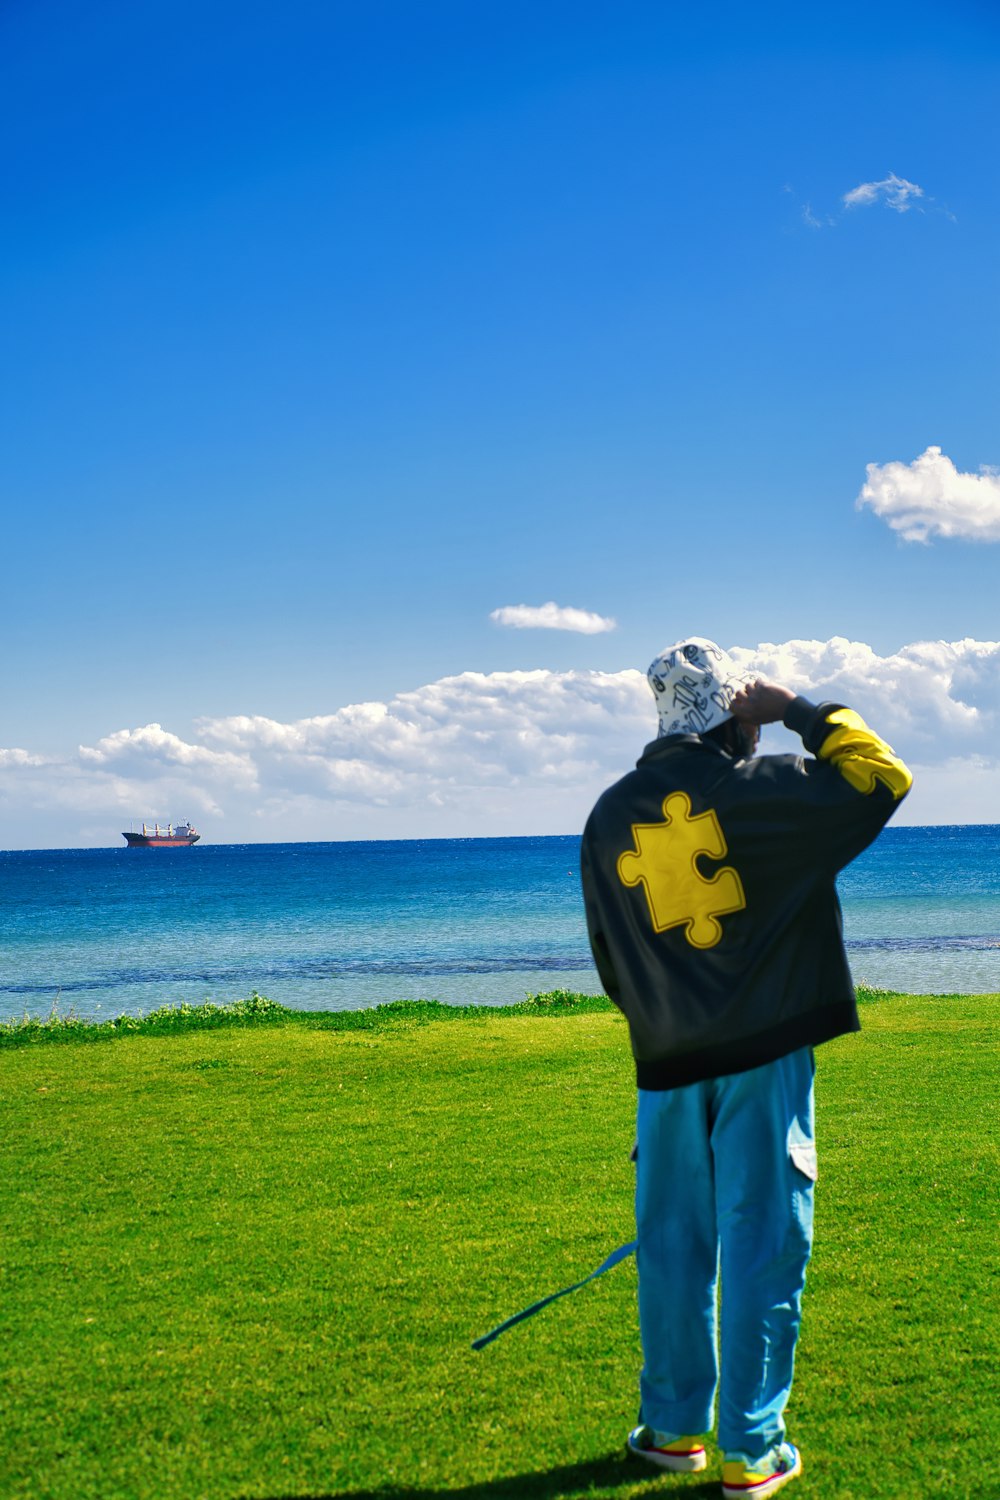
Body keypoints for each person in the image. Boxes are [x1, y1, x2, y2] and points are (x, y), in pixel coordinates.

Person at [579, 637, 912, 1498]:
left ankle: (674, 1430)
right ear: (735, 713)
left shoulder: (608, 816)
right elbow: (881, 776)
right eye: (747, 718)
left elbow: (612, 964)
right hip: (764, 1058)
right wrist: (797, 709)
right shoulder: (759, 788)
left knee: (672, 1250)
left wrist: (666, 1023)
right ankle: (752, 1449)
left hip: (664, 1066)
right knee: (764, 1242)